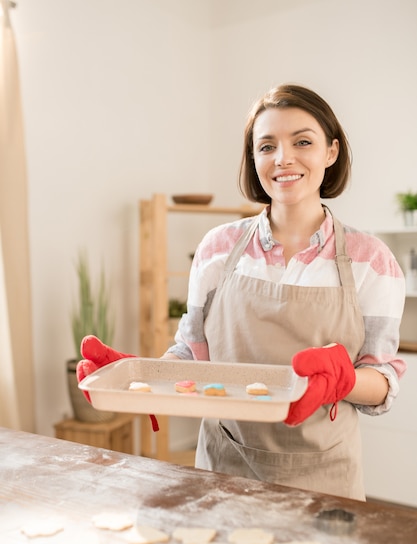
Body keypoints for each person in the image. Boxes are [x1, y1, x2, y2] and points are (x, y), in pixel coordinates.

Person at [78, 84, 406, 501]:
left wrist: (342, 380)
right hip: (223, 469)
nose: (283, 158)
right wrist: (138, 376)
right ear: (254, 159)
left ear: (331, 152)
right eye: (266, 146)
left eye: (302, 141)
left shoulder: (370, 260)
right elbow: (191, 354)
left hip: (323, 478)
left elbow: (381, 381)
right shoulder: (218, 248)